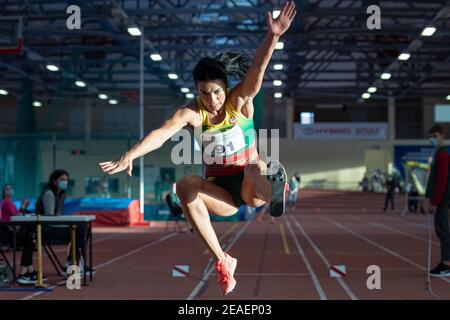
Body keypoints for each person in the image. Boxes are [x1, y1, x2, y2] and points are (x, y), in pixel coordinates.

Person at [100, 1, 297, 295]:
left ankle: (274, 193)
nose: (212, 99)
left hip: (249, 185)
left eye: (217, 91)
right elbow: (161, 134)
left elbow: (257, 69)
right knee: (185, 185)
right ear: (196, 90)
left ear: (226, 87)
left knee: (256, 167)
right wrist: (131, 154)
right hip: (222, 193)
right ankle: (223, 260)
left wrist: (274, 35)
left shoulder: (239, 102)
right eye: (204, 93)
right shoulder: (191, 113)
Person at [36, 169, 94, 276]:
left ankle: (73, 262)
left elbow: (57, 214)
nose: (65, 182)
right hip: (46, 230)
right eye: (62, 179)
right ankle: (72, 263)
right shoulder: (49, 194)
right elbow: (50, 217)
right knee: (80, 231)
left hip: (53, 226)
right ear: (54, 181)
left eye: (66, 180)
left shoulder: (60, 195)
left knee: (84, 229)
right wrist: (67, 222)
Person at [425, 124, 450, 277]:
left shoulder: (443, 155)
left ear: (442, 135)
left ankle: (447, 265)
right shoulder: (438, 154)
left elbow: (442, 180)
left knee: (444, 231)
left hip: (443, 198)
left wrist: (435, 201)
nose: (432, 139)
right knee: (442, 230)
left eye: (434, 136)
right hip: (442, 198)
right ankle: (445, 262)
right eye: (431, 137)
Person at [0, 184, 38, 285]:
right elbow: (16, 216)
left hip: (11, 231)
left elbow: (18, 215)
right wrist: (23, 206)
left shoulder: (10, 203)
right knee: (28, 240)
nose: (10, 190)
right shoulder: (7, 203)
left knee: (29, 239)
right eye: (7, 189)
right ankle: (24, 273)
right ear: (3, 192)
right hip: (7, 233)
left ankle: (28, 272)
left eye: (11, 188)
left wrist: (23, 207)